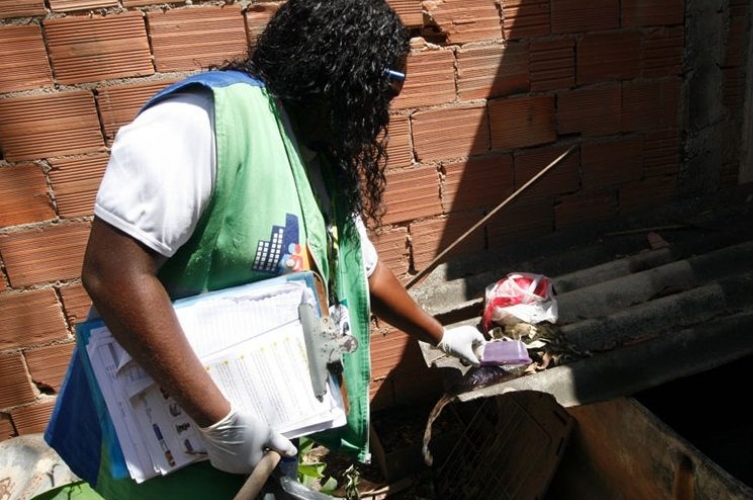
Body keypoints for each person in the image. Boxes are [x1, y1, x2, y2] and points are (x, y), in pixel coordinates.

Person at [44, 0, 486, 498]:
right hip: (167, 430)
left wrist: (442, 336)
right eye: (379, 96)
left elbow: (364, 272)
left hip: (251, 430)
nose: (381, 120)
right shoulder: (205, 122)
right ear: (337, 72)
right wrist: (219, 421)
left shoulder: (320, 163)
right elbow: (112, 272)